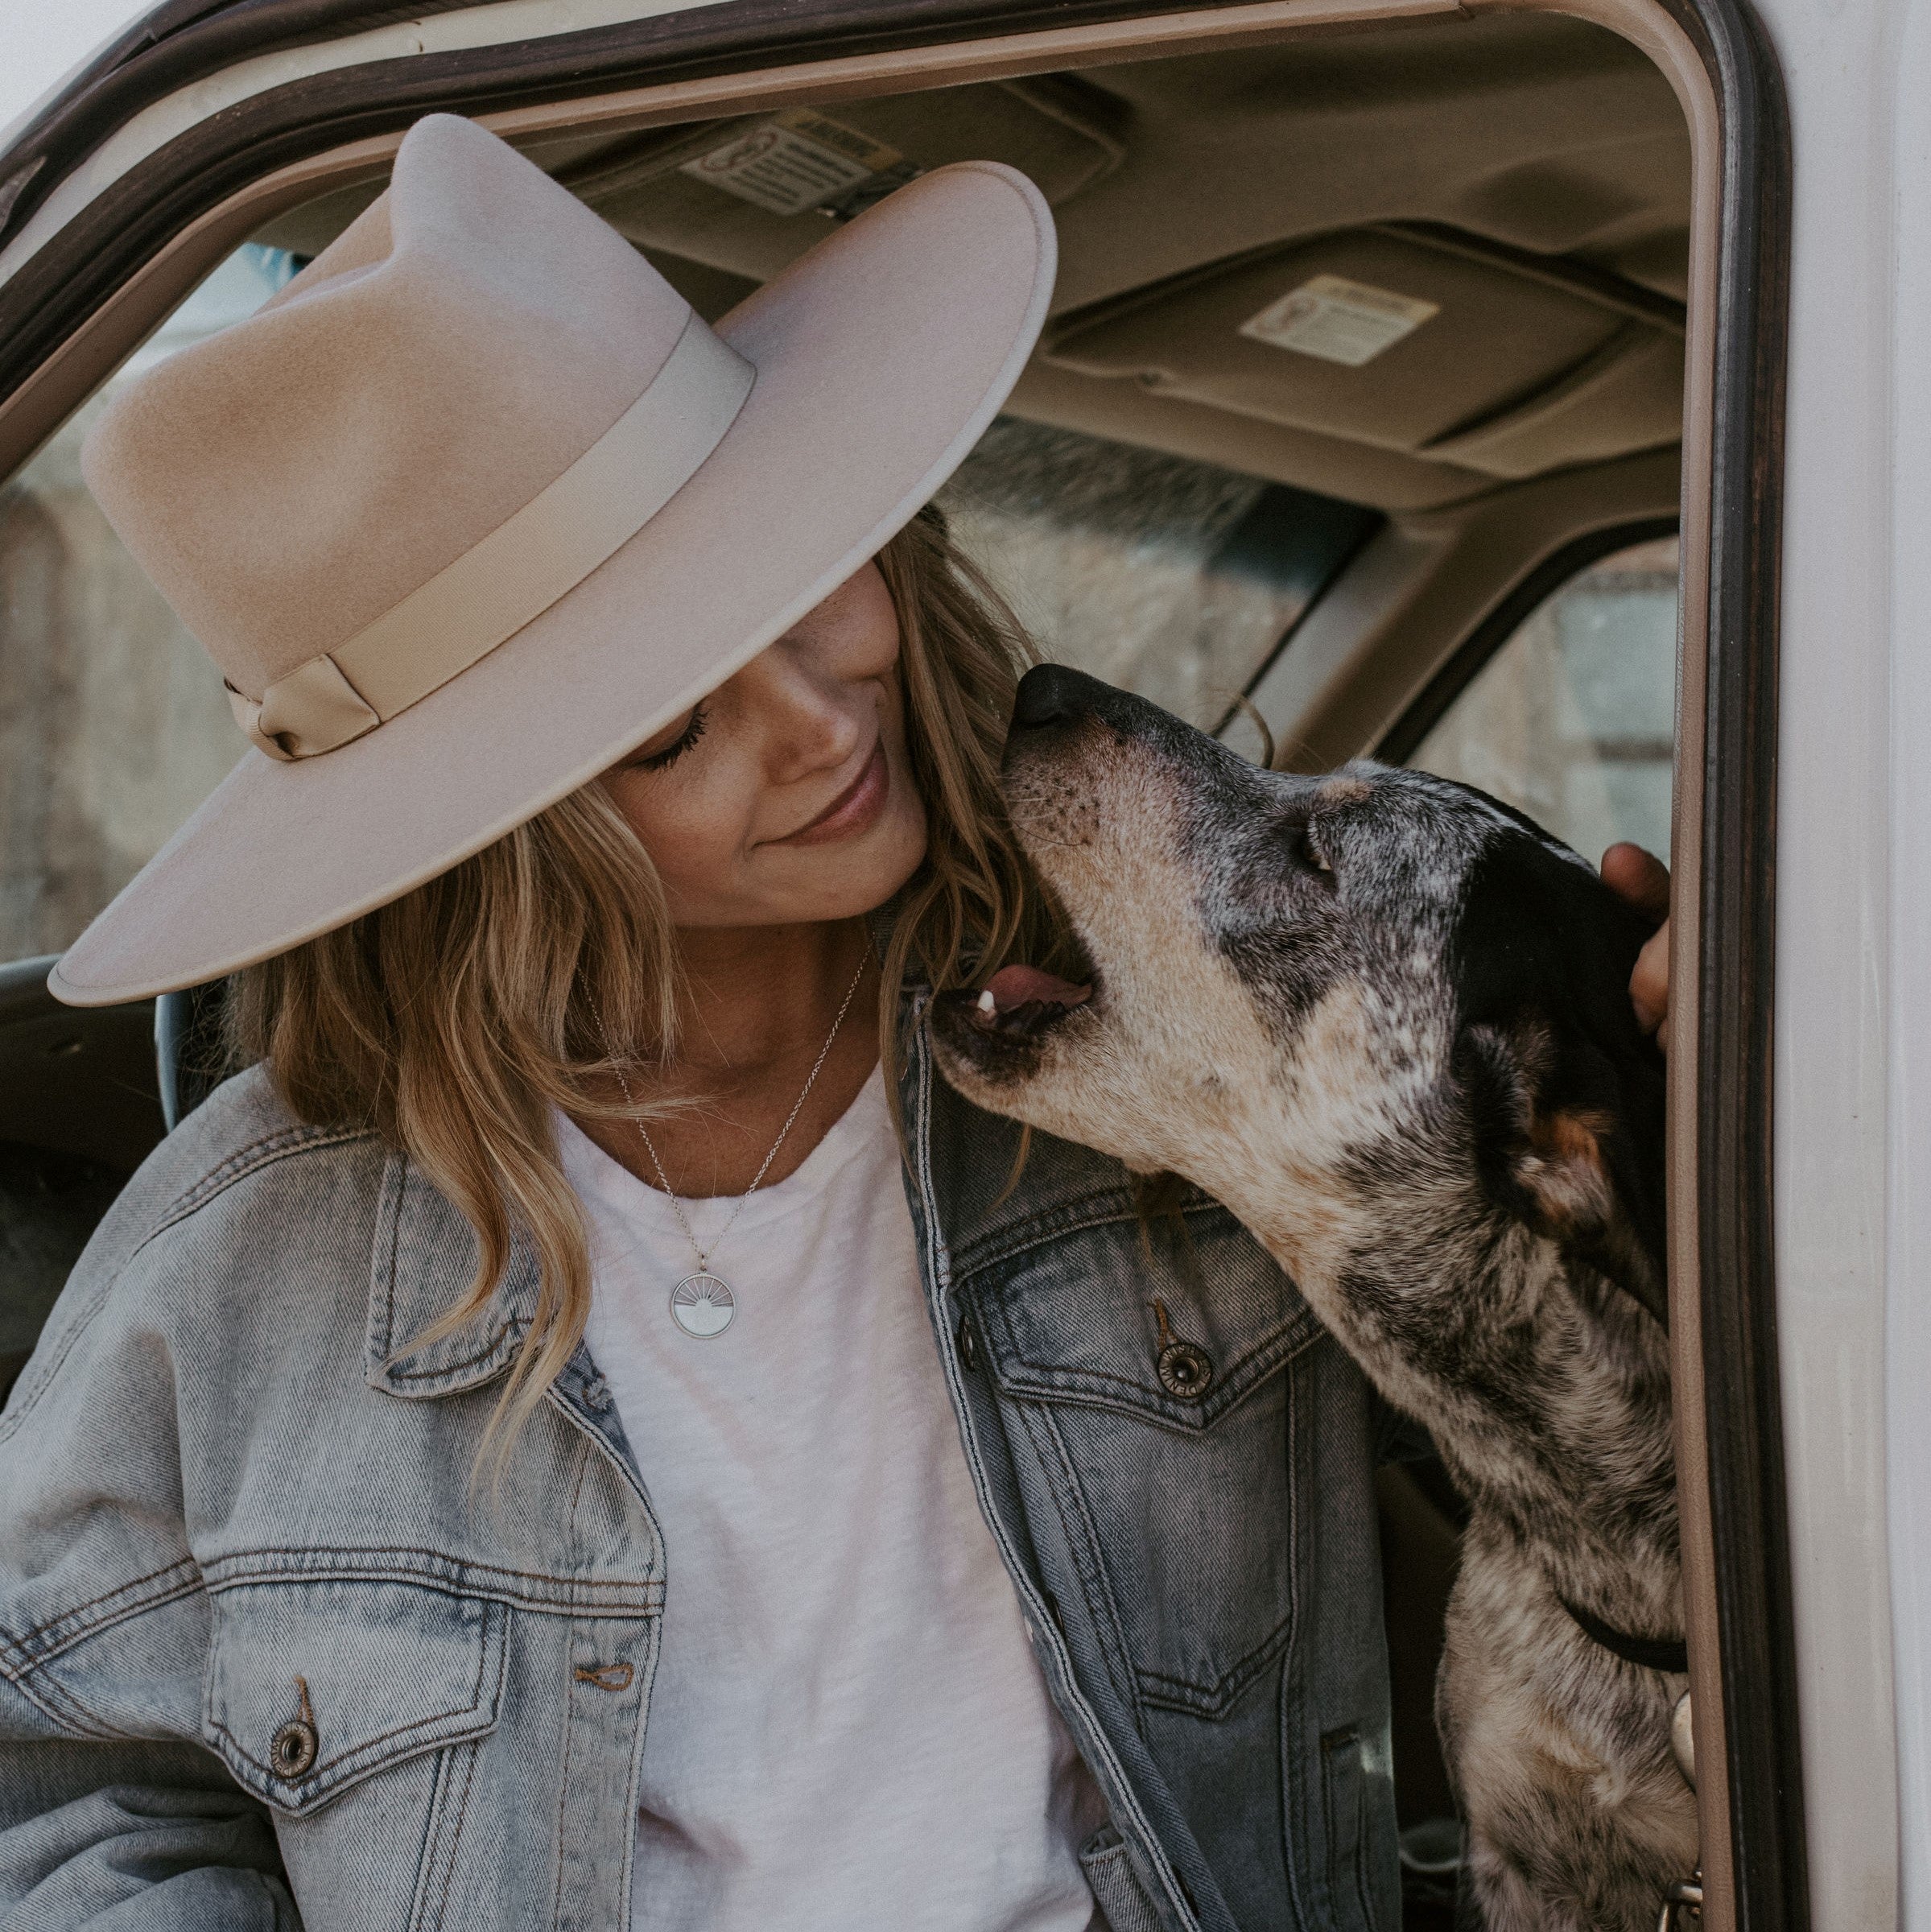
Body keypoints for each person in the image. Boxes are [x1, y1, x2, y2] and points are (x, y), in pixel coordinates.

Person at [0, 117, 1672, 1932]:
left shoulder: (1179, 1065)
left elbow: (1632, 1452)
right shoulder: (243, 1268)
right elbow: (59, 1806)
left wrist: (1712, 1091)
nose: (818, 722)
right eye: (669, 727)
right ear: (490, 836)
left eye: (801, 572)